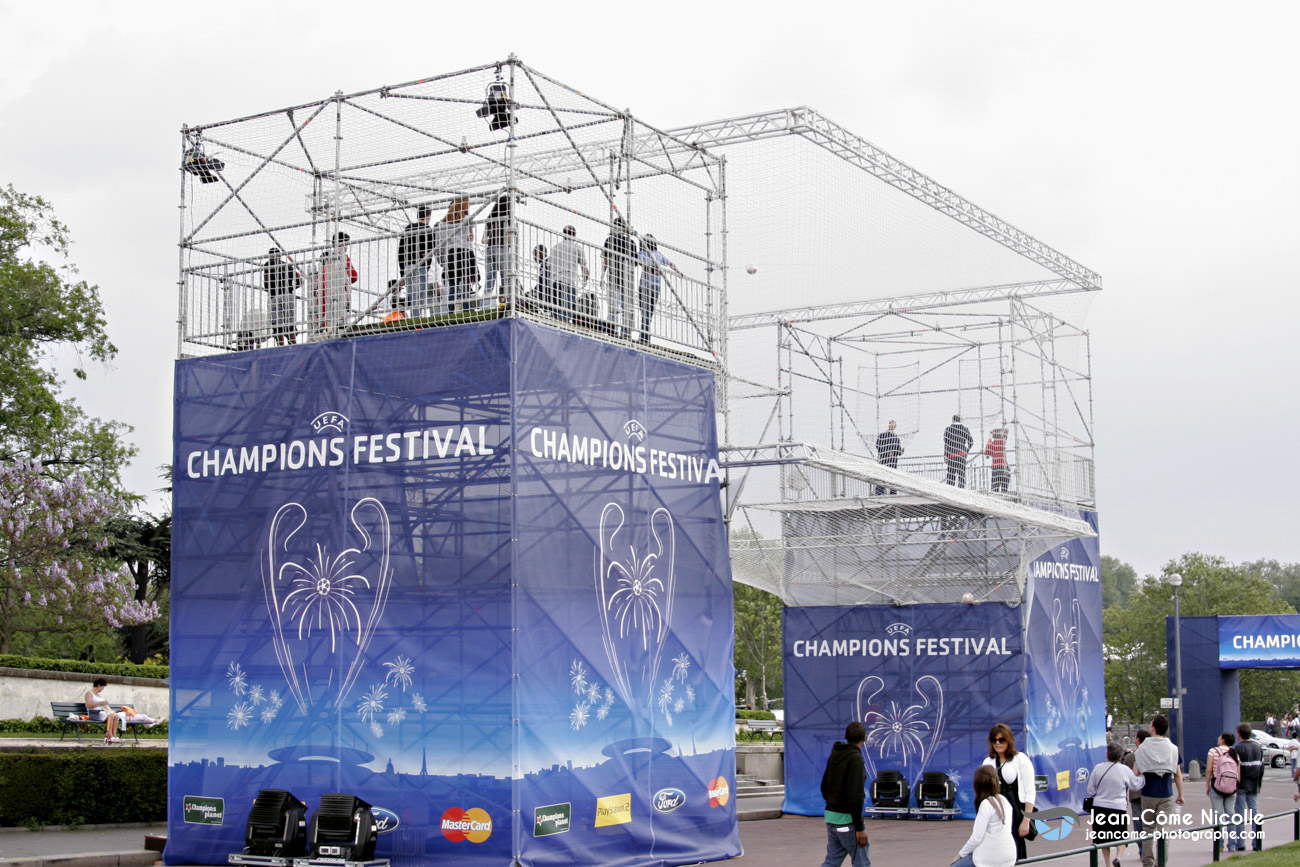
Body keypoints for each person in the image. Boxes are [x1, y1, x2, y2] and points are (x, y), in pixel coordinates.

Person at [1134, 714, 1184, 867]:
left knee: (1148, 829)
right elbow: (1178, 775)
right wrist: (1181, 795)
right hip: (1166, 793)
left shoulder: (1143, 748)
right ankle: (1162, 861)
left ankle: (1148, 862)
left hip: (1148, 793)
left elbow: (1136, 772)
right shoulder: (1173, 749)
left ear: (1153, 728)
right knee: (1164, 830)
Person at [981, 723, 1036, 862]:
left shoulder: (1020, 759)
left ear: (1009, 740)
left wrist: (1026, 820)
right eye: (994, 740)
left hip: (1015, 811)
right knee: (995, 849)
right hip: (995, 811)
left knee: (1015, 849)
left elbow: (1030, 791)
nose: (998, 743)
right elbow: (983, 792)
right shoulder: (988, 762)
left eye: (1001, 740)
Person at [818, 721, 870, 867]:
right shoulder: (856, 759)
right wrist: (860, 828)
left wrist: (833, 803)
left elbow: (824, 786)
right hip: (847, 820)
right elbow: (856, 795)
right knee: (861, 860)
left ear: (846, 737)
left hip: (831, 816)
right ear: (864, 738)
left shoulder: (836, 754)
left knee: (832, 860)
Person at [1085, 742, 1142, 867]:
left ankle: (1107, 864)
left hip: (1100, 807)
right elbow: (1135, 785)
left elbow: (1090, 790)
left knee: (1102, 838)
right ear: (1120, 756)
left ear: (1107, 755)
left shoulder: (1098, 768)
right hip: (1118, 807)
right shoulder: (1124, 770)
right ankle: (1118, 857)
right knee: (1121, 836)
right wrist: (1143, 777)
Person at [949, 764, 1015, 867]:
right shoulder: (1004, 800)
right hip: (1009, 855)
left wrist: (960, 855)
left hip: (989, 857)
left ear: (978, 784)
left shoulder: (986, 804)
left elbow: (976, 838)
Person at [636, 233, 681, 345]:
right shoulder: (653, 254)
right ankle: (645, 337)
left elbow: (669, 263)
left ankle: (644, 338)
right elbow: (643, 264)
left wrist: (678, 271)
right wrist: (677, 271)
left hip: (646, 286)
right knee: (647, 313)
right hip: (653, 286)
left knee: (646, 313)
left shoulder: (644, 253)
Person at [435, 198, 477, 314]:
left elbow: (440, 243)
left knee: (452, 286)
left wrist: (443, 260)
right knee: (465, 284)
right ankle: (467, 309)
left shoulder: (443, 223)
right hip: (465, 253)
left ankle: (451, 311)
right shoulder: (467, 220)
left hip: (452, 254)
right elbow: (470, 240)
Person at [602, 216, 638, 339]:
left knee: (613, 307)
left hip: (613, 277)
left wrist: (602, 276)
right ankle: (626, 333)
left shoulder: (610, 240)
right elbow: (634, 264)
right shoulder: (631, 243)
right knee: (626, 308)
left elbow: (606, 260)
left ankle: (613, 331)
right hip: (627, 281)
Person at [316, 231, 357, 334]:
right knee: (341, 316)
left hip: (324, 291)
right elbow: (354, 276)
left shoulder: (324, 257)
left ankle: (328, 331)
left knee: (327, 316)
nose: (347, 246)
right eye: (346, 244)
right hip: (340, 291)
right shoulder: (344, 258)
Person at [1232, 722, 1264, 852]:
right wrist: (1259, 784)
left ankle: (1240, 843)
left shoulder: (1238, 749)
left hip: (1241, 785)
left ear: (1239, 735)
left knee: (1239, 814)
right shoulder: (1258, 748)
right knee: (1255, 814)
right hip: (1254, 784)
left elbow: (1235, 769)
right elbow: (1261, 769)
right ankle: (1257, 843)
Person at [398, 205, 435, 318]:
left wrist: (402, 272)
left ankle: (414, 319)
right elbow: (431, 251)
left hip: (408, 266)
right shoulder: (428, 230)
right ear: (428, 216)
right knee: (419, 297)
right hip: (421, 265)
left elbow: (401, 251)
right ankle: (417, 319)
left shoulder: (408, 229)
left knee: (411, 295)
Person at [1205, 732, 1239, 852]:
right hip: (1231, 787)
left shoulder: (1213, 751)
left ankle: (1219, 845)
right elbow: (1238, 772)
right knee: (1230, 815)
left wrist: (1207, 785)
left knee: (1218, 815)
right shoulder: (1234, 753)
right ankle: (1232, 845)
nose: (1218, 738)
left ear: (1223, 740)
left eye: (1219, 737)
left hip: (1217, 786)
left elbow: (1209, 770)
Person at [548, 225, 588, 322]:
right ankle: (563, 329)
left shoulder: (555, 247)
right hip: (569, 281)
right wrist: (585, 280)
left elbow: (549, 267)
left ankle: (556, 328)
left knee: (556, 310)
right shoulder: (577, 247)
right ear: (574, 235)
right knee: (567, 310)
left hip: (555, 281)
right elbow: (584, 268)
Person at [483, 193, 515, 306]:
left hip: (490, 249)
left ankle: (485, 304)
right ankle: (506, 303)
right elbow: (510, 240)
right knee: (505, 280)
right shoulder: (509, 220)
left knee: (489, 280)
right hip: (503, 250)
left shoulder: (490, 219)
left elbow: (483, 240)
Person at [263, 247, 299, 345]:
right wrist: (292, 288)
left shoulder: (268, 264)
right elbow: (298, 277)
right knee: (290, 324)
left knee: (277, 325)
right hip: (289, 296)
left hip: (275, 296)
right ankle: (293, 346)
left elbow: (266, 282)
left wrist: (269, 288)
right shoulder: (287, 266)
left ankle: (281, 347)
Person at [1122, 729, 1150, 848]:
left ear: (1138, 740)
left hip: (1135, 795)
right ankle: (1149, 848)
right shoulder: (1151, 755)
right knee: (1150, 823)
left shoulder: (1130, 758)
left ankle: (1142, 849)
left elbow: (1124, 778)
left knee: (1138, 823)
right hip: (1150, 793)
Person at [84, 677, 123, 744]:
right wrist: (100, 703)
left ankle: (114, 735)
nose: (103, 689)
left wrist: (104, 704)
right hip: (94, 713)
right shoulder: (89, 694)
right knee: (111, 715)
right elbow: (88, 705)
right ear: (98, 685)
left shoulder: (99, 695)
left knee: (115, 716)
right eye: (102, 687)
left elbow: (101, 705)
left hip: (101, 712)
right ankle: (109, 735)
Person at [873, 420, 903, 495]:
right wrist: (887, 453)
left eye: (893, 424)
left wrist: (901, 451)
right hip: (884, 460)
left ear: (895, 426)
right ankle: (879, 493)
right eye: (891, 424)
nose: (892, 426)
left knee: (893, 477)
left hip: (893, 462)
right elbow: (878, 446)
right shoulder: (882, 435)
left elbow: (898, 452)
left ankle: (893, 493)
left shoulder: (896, 438)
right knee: (882, 476)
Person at [943, 415, 974, 488]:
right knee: (961, 475)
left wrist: (946, 456)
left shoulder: (948, 429)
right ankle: (961, 491)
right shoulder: (965, 429)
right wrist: (966, 451)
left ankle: (950, 491)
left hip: (952, 455)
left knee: (951, 475)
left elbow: (946, 444)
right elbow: (971, 442)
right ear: (960, 420)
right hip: (962, 454)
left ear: (953, 420)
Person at [984, 427, 1010, 493]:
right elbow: (1007, 430)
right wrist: (999, 429)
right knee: (1004, 490)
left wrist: (989, 438)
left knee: (994, 490)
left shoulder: (990, 444)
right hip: (1004, 467)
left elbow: (987, 456)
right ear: (1000, 435)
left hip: (996, 468)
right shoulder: (1002, 441)